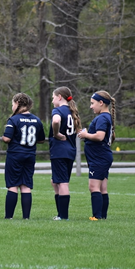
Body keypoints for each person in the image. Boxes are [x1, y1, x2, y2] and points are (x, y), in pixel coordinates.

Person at [2, 93, 46, 219]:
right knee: (26, 186)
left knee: (13, 185)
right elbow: (41, 139)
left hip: (15, 155)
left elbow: (6, 138)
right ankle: (26, 217)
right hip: (30, 155)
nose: (12, 107)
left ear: (17, 103)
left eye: (12, 104)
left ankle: (9, 217)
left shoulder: (14, 120)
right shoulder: (37, 120)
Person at [77, 91, 116, 220]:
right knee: (102, 188)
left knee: (93, 187)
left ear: (101, 103)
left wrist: (85, 135)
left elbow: (100, 136)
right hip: (102, 155)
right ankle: (102, 216)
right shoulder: (105, 117)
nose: (91, 106)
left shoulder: (102, 118)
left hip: (99, 157)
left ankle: (97, 216)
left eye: (92, 103)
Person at [49, 87, 81, 220]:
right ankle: (60, 214)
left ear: (60, 97)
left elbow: (56, 121)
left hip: (59, 150)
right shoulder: (72, 112)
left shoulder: (58, 110)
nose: (52, 101)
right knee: (55, 181)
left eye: (53, 97)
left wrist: (56, 133)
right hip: (70, 150)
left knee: (62, 183)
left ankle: (63, 216)